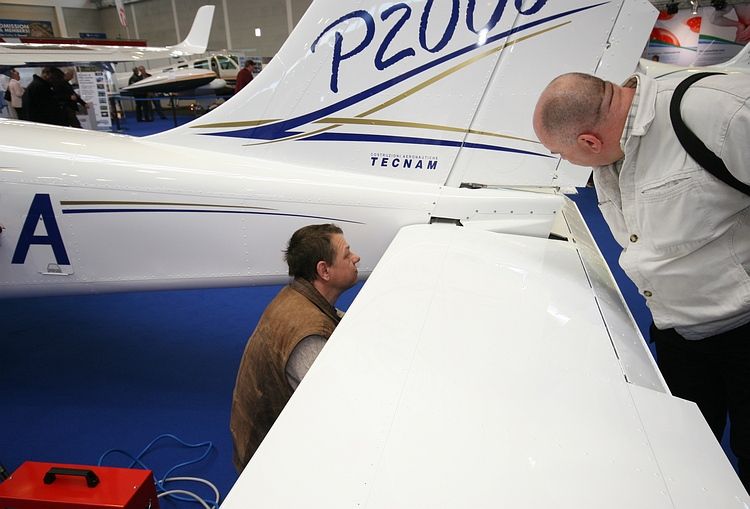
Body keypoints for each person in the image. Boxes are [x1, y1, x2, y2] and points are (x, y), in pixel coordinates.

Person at [533, 71, 750, 491]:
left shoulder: (720, 113)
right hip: (679, 330)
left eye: (562, 154)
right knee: (683, 451)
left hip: (743, 329)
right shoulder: (612, 151)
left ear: (589, 142)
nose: (566, 162)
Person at [230, 224, 360, 472]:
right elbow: (339, 411)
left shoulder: (296, 294)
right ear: (324, 271)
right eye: (347, 254)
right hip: (266, 461)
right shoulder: (309, 339)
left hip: (253, 438)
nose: (356, 257)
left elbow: (332, 316)